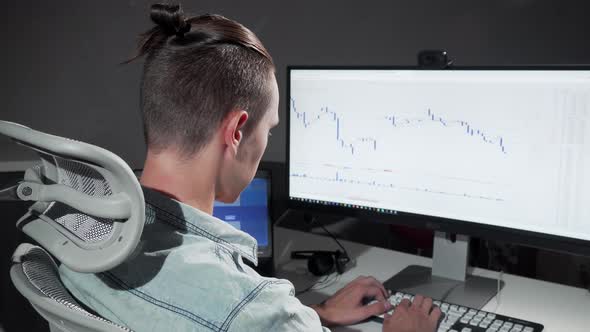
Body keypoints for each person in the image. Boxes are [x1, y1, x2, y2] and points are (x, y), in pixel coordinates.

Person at [59, 3, 441, 332]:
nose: (267, 142)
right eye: (269, 129)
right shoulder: (253, 305)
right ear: (237, 131)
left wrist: (317, 313)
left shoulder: (81, 234)